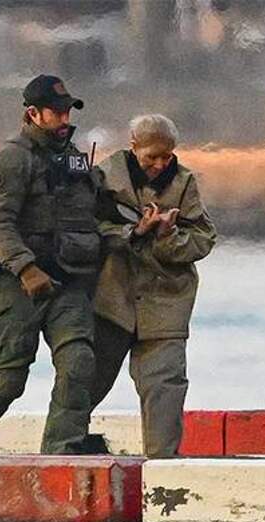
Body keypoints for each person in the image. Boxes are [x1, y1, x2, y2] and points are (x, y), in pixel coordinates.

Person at [0, 74, 101, 454]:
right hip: (14, 282)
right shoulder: (12, 159)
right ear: (33, 114)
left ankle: (62, 453)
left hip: (67, 281)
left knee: (78, 363)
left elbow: (96, 215)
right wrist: (26, 269)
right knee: (8, 379)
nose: (65, 119)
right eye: (57, 113)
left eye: (67, 112)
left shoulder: (76, 161)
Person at [89, 114, 217, 458]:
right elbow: (87, 231)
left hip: (165, 302)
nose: (160, 164)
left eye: (167, 156)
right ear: (134, 147)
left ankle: (163, 465)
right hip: (112, 299)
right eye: (152, 157)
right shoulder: (103, 177)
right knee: (85, 382)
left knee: (164, 385)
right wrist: (133, 232)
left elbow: (204, 239)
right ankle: (61, 452)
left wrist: (167, 236)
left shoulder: (185, 184)